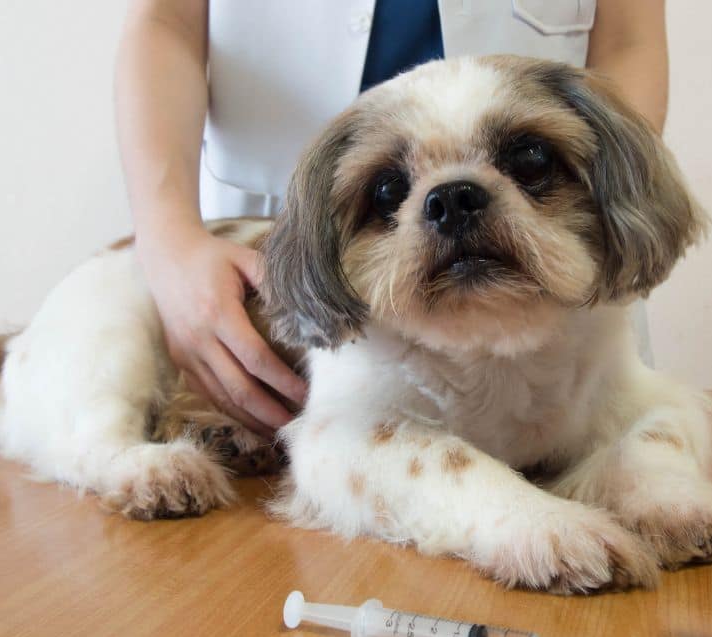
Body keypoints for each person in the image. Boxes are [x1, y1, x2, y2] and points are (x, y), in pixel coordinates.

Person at [115, 0, 672, 438]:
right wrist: (169, 243)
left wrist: (624, 204)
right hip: (322, 265)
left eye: (524, 160)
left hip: (561, 290)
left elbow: (629, 37)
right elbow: (165, 19)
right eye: (390, 190)